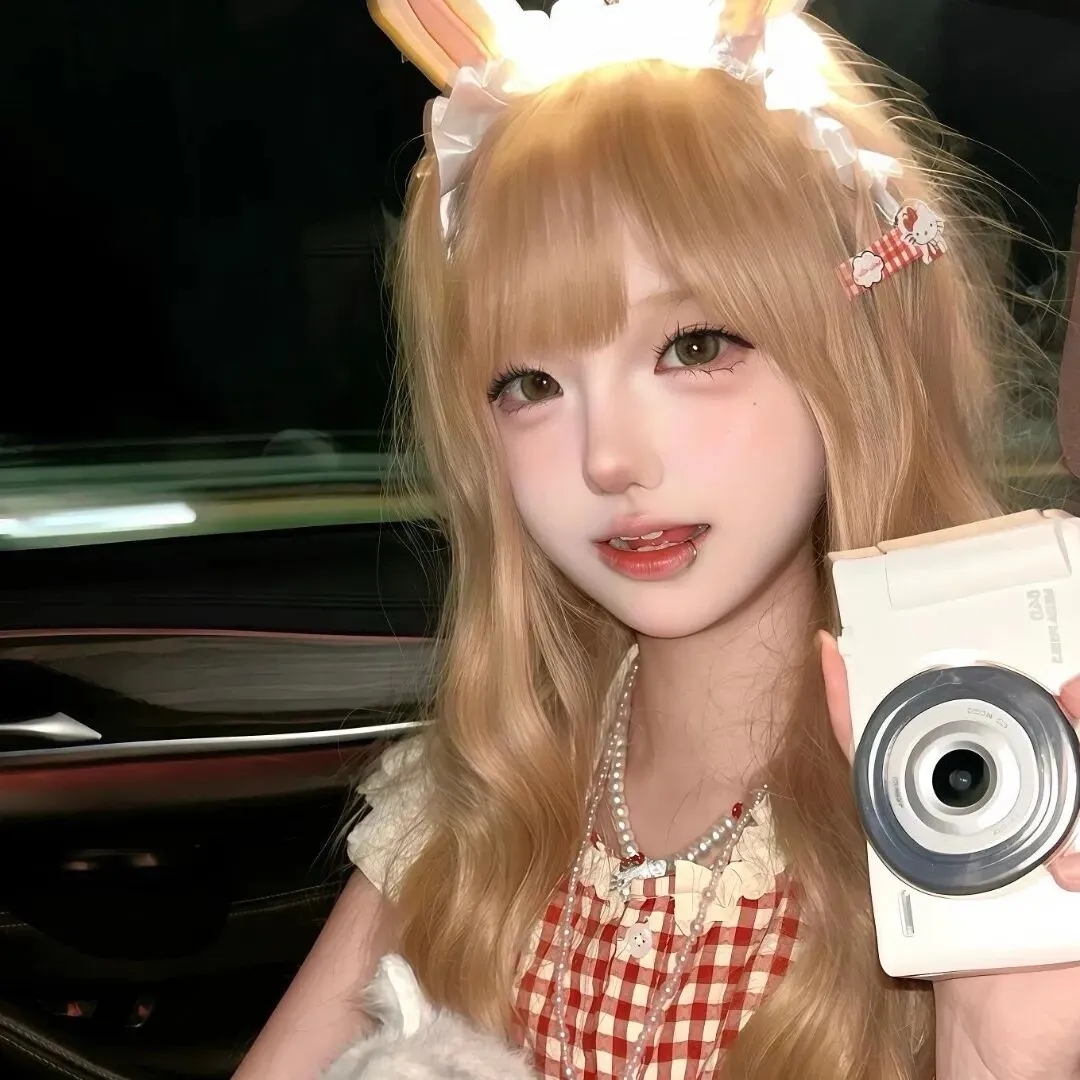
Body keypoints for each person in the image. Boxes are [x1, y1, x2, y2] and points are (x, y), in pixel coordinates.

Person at [233, 2, 1080, 1078]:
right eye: (530, 384)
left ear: (856, 350)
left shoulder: (983, 808)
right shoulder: (473, 804)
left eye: (694, 346)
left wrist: (996, 1055)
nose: (609, 460)